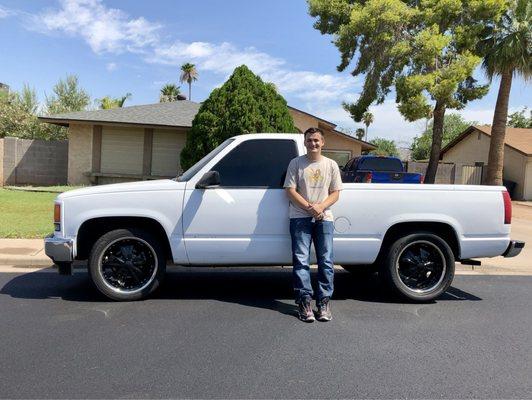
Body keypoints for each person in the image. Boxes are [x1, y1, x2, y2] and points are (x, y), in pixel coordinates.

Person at [283, 127, 343, 322]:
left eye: (316, 140)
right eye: (309, 140)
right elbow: (290, 190)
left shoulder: (331, 165)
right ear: (304, 142)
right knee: (301, 261)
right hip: (300, 217)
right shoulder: (296, 163)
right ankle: (304, 301)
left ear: (322, 142)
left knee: (326, 262)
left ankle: (323, 302)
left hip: (324, 218)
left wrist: (320, 207)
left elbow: (335, 192)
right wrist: (310, 207)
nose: (313, 144)